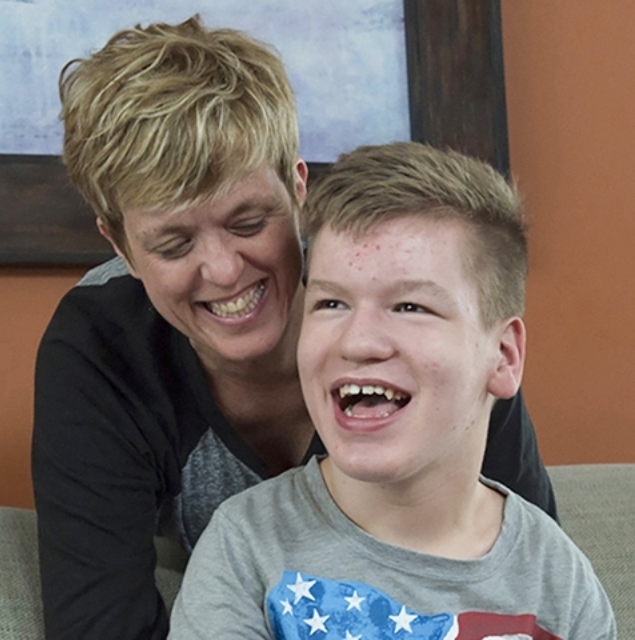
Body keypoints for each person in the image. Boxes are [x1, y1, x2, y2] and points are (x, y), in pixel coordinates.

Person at [32, 15, 556, 640]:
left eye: (249, 222)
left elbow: (528, 571)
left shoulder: (420, 320)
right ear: (117, 241)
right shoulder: (101, 346)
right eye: (173, 244)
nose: (224, 271)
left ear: (298, 188)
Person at [168, 142, 616, 640]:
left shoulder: (559, 582)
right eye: (332, 302)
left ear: (504, 357)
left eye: (409, 307)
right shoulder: (245, 546)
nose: (358, 342)